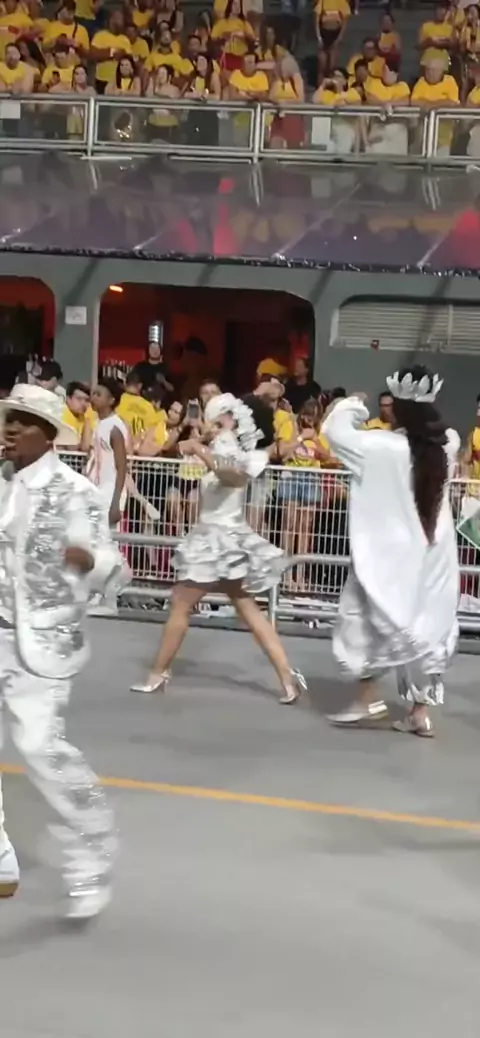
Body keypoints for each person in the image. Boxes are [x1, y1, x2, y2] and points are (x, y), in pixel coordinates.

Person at [0, 383, 124, 917]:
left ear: (48, 434)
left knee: (40, 749)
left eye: (22, 421)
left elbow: (111, 564)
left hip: (41, 640)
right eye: (8, 418)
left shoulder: (75, 491)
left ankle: (91, 856)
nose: (10, 429)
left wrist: (88, 562)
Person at [130, 393, 307, 705]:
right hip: (225, 538)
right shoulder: (229, 446)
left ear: (229, 420)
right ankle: (287, 677)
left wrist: (200, 449)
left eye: (215, 418)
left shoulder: (227, 445)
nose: (209, 423)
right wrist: (199, 444)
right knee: (248, 609)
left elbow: (233, 477)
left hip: (216, 540)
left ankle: (158, 673)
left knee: (181, 603)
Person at [324, 366, 459, 737]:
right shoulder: (447, 445)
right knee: (425, 627)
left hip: (385, 554)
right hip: (433, 554)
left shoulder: (379, 447)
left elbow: (334, 432)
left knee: (359, 617)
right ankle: (420, 712)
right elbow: (440, 436)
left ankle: (368, 697)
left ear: (396, 408)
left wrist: (352, 405)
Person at [85, 378, 129, 528]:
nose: (93, 398)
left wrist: (115, 502)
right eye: (93, 394)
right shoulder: (99, 423)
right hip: (96, 491)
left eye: (98, 394)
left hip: (109, 495)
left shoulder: (115, 427)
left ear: (111, 400)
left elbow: (121, 467)